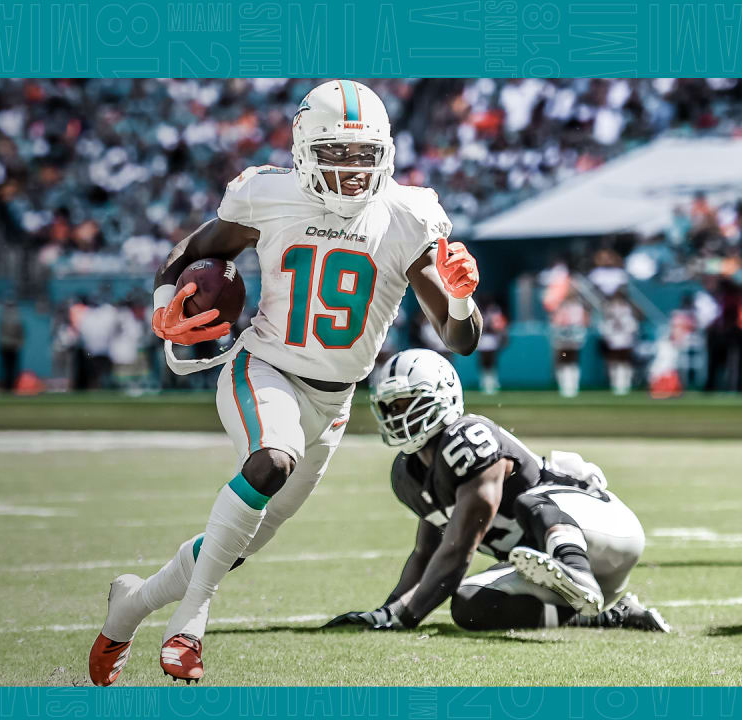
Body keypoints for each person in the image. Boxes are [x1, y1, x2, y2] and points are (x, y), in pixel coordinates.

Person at [89, 80, 483, 685]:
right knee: (271, 460)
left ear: (387, 153)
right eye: (337, 153)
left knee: (241, 541)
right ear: (303, 150)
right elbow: (190, 250)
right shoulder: (269, 195)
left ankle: (133, 605)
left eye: (363, 154)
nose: (352, 170)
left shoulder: (407, 216)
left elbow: (461, 339)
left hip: (332, 402)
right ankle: (188, 626)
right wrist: (166, 304)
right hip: (264, 367)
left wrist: (460, 301)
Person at [326, 349, 668, 633]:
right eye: (391, 406)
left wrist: (405, 618)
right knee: (469, 604)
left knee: (529, 499)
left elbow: (459, 550)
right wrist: (388, 611)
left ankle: (574, 566)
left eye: (406, 402)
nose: (396, 415)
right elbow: (427, 554)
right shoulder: (408, 474)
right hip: (550, 567)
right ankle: (607, 614)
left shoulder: (468, 438)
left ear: (443, 396)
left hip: (601, 529)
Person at [550, 287, 589, 398]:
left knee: (571, 363)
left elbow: (583, 324)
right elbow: (556, 324)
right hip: (564, 341)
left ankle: (571, 387)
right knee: (565, 362)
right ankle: (566, 386)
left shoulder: (576, 308)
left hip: (572, 341)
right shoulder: (562, 308)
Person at [599, 291, 639, 395]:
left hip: (625, 343)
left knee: (624, 364)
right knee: (613, 364)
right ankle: (615, 385)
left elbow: (633, 328)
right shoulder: (608, 320)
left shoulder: (628, 317)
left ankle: (625, 384)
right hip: (613, 343)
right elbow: (605, 331)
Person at [477, 296, 509, 394]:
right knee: (484, 363)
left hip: (491, 339)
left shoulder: (495, 313)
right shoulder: (480, 312)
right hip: (483, 340)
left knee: (491, 363)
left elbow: (499, 327)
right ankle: (485, 383)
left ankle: (492, 383)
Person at [0, 300, 25, 392]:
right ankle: (8, 386)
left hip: (9, 345)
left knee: (10, 368)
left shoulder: (13, 317)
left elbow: (20, 333)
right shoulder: (9, 317)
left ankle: (10, 386)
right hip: (8, 345)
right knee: (7, 368)